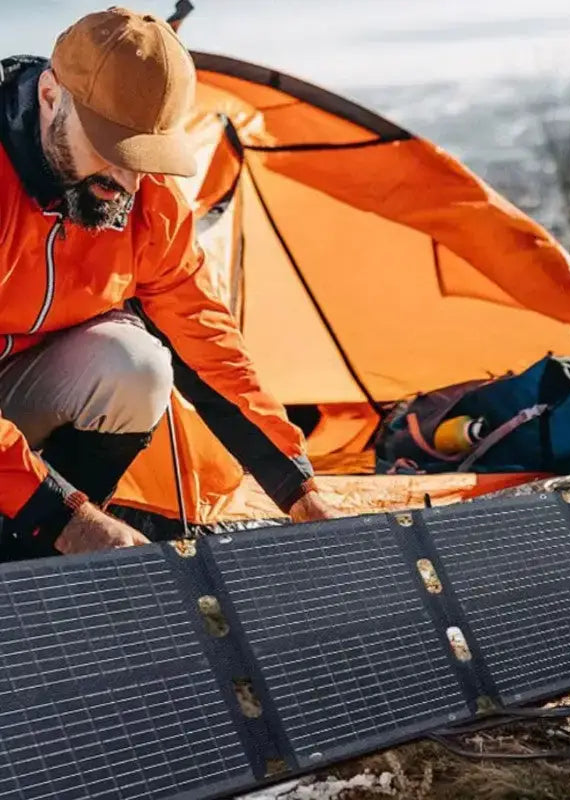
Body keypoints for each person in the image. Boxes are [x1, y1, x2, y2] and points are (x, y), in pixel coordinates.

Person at [0, 7, 337, 561]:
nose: (129, 180)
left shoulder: (145, 200)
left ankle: (24, 557)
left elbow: (209, 348)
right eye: (113, 148)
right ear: (50, 96)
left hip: (19, 397)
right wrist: (64, 516)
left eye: (146, 154)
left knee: (136, 366)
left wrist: (298, 490)